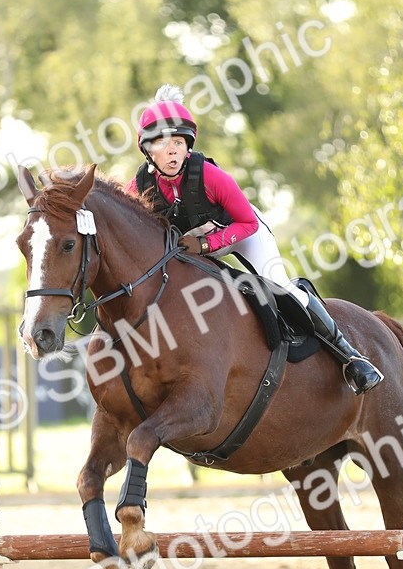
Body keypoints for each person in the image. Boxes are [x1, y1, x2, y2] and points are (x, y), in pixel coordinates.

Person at [126, 85, 383, 394]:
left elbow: (247, 223)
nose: (172, 151)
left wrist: (206, 245)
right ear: (147, 150)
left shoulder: (211, 177)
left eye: (178, 142)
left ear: (188, 146)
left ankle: (351, 358)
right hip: (193, 250)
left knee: (279, 283)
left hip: (241, 232)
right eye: (163, 143)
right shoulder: (138, 189)